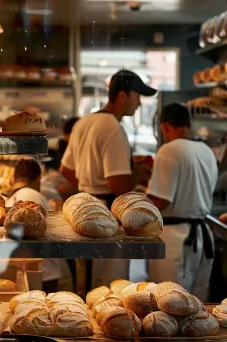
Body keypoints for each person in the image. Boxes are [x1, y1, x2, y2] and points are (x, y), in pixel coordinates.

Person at [59, 69, 157, 288]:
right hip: (106, 215)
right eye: (137, 96)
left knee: (84, 282)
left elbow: (66, 170)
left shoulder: (83, 123)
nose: (139, 103)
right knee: (108, 288)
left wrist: (89, 189)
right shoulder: (114, 129)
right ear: (122, 96)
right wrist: (138, 174)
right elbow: (118, 185)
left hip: (82, 209)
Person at [147, 103, 218, 301]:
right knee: (197, 303)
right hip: (202, 237)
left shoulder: (169, 150)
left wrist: (138, 202)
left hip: (176, 239)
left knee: (169, 302)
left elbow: (161, 200)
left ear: (166, 126)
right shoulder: (207, 151)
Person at [6, 159, 67, 293]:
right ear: (39, 179)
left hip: (31, 269)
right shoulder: (32, 195)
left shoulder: (12, 199)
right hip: (43, 273)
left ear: (13, 179)